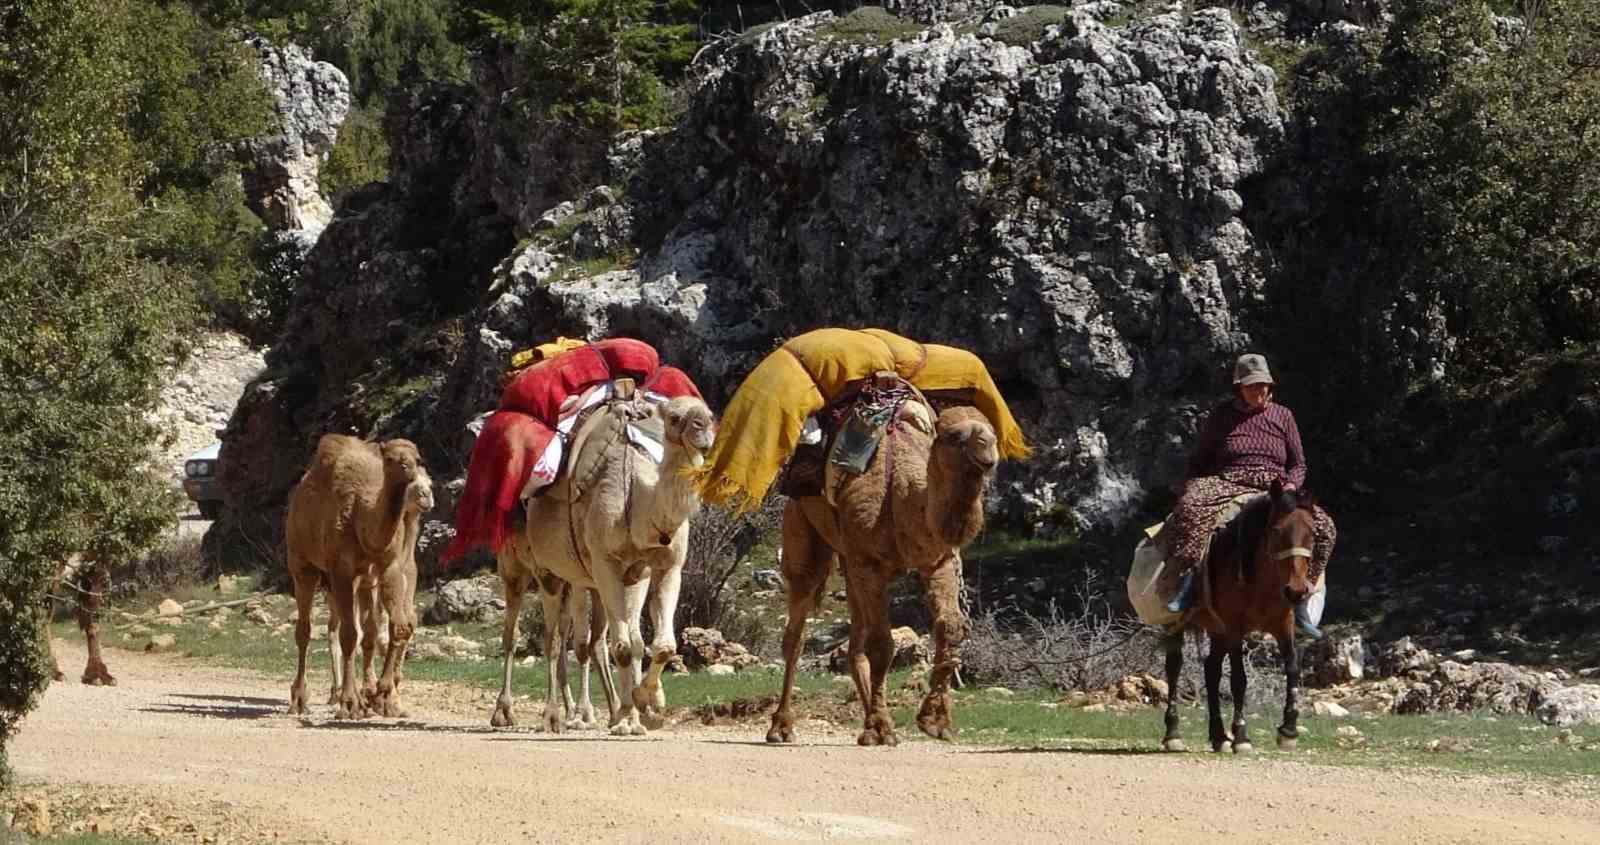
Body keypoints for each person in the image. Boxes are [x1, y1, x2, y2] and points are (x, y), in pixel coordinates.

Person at [1163, 353, 1337, 638]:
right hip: (1229, 480)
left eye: (1265, 385)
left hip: (1275, 486)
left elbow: (1298, 463)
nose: (1260, 391)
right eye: (1253, 386)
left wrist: (1291, 486)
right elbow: (1201, 457)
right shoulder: (1222, 416)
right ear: (1239, 387)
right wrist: (1193, 484)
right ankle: (1188, 585)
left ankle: (1303, 598)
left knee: (1325, 527)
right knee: (1191, 509)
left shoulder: (1283, 416)